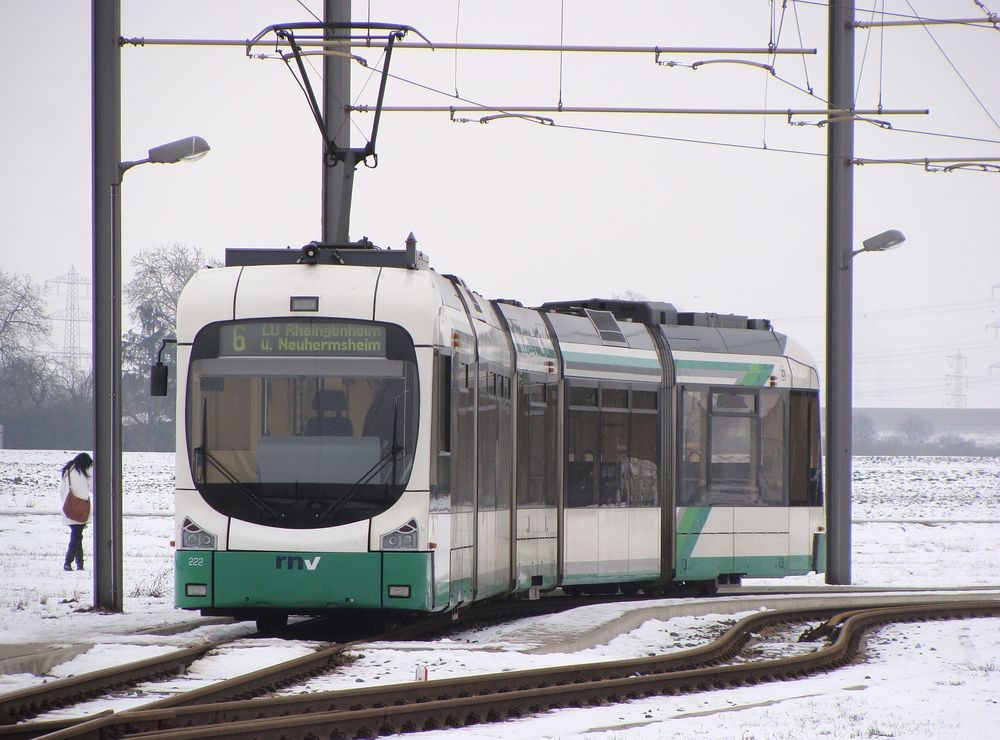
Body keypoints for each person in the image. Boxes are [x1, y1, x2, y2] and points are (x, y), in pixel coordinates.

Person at [60, 452, 93, 571]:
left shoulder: (67, 469)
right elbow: (94, 487)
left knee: (77, 535)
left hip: (69, 508)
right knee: (76, 536)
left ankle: (80, 564)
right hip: (81, 508)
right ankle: (68, 562)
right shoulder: (86, 469)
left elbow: (62, 490)